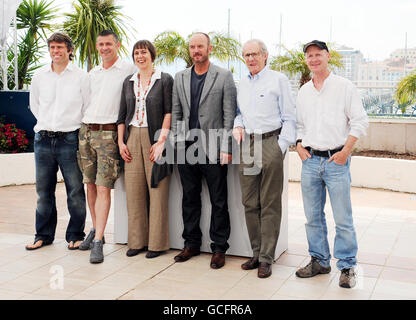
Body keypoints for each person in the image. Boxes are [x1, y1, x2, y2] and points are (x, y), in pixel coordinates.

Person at [295, 40, 369, 288]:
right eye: (309, 56)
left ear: (327, 57)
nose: (314, 59)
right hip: (310, 161)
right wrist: (298, 145)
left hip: (336, 160)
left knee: (342, 218)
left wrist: (346, 151)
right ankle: (319, 260)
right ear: (306, 60)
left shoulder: (344, 87)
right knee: (312, 217)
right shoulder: (304, 91)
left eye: (318, 54)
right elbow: (299, 125)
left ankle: (347, 266)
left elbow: (360, 121)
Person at [171, 32, 236, 269]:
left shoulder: (224, 76)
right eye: (192, 46)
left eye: (200, 46)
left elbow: (229, 116)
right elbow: (177, 112)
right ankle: (191, 244)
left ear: (209, 48)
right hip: (187, 148)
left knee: (219, 200)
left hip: (214, 147)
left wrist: (227, 147)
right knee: (189, 198)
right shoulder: (180, 77)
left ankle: (219, 247)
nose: (196, 50)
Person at [232, 39, 296, 278]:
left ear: (265, 56)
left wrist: (280, 147)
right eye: (247, 55)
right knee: (250, 202)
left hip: (271, 142)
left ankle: (267, 258)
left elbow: (290, 116)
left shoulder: (278, 80)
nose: (250, 59)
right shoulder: (242, 84)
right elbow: (240, 114)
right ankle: (256, 253)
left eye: (255, 54)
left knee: (270, 203)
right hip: (249, 145)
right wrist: (238, 127)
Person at [77, 30, 137, 263]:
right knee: (89, 185)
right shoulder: (93, 73)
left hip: (109, 133)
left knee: (103, 188)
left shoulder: (127, 71)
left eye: (108, 44)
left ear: (117, 45)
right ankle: (94, 229)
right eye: (100, 44)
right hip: (86, 132)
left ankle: (99, 240)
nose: (104, 48)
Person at [26, 32, 88, 251]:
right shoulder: (39, 76)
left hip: (69, 139)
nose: (56, 51)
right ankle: (42, 235)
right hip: (43, 138)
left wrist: (71, 127)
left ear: (69, 50)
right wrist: (47, 123)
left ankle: (75, 235)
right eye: (52, 47)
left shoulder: (81, 76)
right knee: (43, 192)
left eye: (60, 47)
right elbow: (35, 105)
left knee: (75, 190)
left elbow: (86, 107)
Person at [117, 40, 173, 259]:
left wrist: (161, 141)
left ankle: (156, 245)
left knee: (157, 191)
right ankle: (137, 241)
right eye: (136, 53)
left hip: (155, 137)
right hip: (131, 137)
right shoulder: (128, 81)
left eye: (144, 52)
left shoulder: (165, 79)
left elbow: (169, 112)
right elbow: (122, 115)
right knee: (134, 191)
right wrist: (121, 143)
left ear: (152, 55)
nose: (140, 56)